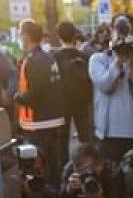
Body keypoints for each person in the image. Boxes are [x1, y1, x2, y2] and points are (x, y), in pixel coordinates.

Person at [88, 15, 133, 162]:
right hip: (109, 134)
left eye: (128, 31)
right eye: (119, 30)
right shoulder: (98, 59)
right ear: (111, 31)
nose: (123, 36)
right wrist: (118, 61)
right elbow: (105, 85)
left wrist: (132, 66)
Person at [15, 20, 65, 189]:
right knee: (54, 166)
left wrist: (19, 98)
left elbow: (35, 92)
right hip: (55, 119)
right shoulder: (49, 57)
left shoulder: (32, 60)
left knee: (39, 167)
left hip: (38, 122)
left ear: (26, 36)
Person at [54, 21, 94, 166]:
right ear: (74, 36)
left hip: (61, 102)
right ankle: (88, 166)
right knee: (85, 138)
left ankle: (64, 169)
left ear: (59, 36)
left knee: (62, 140)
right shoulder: (84, 56)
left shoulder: (55, 57)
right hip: (82, 100)